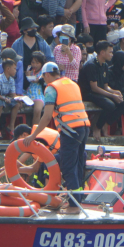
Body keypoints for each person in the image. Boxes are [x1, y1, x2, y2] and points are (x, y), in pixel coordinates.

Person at [24, 62, 90, 213]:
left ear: (47, 75)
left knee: (68, 166)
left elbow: (47, 116)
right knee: (78, 164)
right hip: (84, 127)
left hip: (70, 130)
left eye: (44, 78)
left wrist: (33, 136)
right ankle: (78, 201)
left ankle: (74, 206)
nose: (44, 81)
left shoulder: (51, 88)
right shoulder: (72, 84)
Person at [79, 41, 124, 139]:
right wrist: (112, 95)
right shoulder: (91, 65)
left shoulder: (105, 65)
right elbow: (94, 88)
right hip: (89, 93)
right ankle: (97, 127)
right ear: (102, 52)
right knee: (110, 105)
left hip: (100, 92)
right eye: (110, 52)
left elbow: (106, 86)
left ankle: (106, 123)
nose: (112, 54)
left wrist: (114, 92)